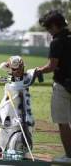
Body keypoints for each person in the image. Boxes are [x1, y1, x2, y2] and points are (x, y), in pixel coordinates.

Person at [35, 10, 71, 163]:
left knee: (63, 122)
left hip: (63, 86)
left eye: (49, 28)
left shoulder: (56, 42)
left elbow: (51, 66)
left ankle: (69, 156)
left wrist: (37, 71)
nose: (49, 32)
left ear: (56, 26)